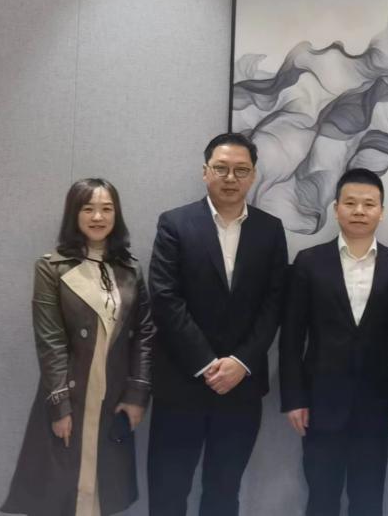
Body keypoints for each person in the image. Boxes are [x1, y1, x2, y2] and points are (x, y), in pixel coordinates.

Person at [147, 133, 288, 516]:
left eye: (241, 170)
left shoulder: (270, 229)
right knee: (168, 491)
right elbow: (165, 298)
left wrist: (240, 362)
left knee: (224, 493)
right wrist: (207, 363)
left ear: (253, 176)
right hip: (182, 383)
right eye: (221, 168)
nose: (230, 178)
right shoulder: (175, 223)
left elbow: (274, 303)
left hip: (241, 387)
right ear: (205, 171)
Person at [2, 179, 154, 516]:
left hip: (114, 394)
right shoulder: (51, 267)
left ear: (116, 214)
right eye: (88, 209)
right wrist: (60, 405)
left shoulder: (130, 268)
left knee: (103, 486)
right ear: (75, 214)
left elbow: (144, 334)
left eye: (106, 209)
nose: (98, 217)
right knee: (63, 489)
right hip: (72, 391)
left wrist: (137, 395)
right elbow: (50, 341)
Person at [279, 168, 388, 516]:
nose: (359, 211)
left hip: (377, 405)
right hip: (320, 404)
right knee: (321, 498)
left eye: (369, 204)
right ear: (336, 208)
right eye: (350, 203)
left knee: (368, 501)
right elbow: (291, 338)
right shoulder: (309, 262)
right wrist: (294, 398)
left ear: (381, 212)